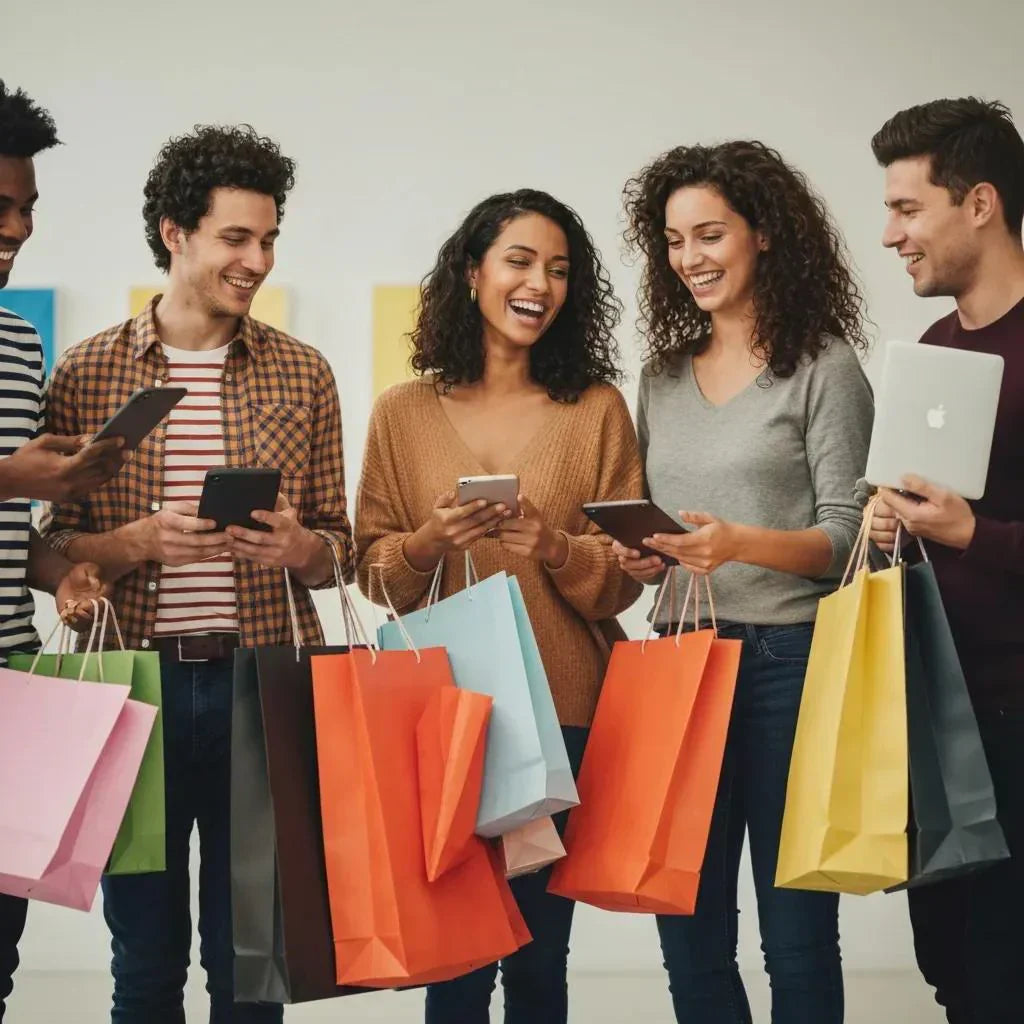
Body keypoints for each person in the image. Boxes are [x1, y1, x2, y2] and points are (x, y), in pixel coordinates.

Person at [40, 124, 354, 1024]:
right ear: (176, 233)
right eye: (236, 238)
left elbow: (343, 546)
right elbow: (53, 547)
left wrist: (301, 550)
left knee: (253, 965)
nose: (257, 260)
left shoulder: (303, 373)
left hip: (264, 687)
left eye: (269, 240)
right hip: (132, 693)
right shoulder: (89, 373)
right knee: (144, 961)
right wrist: (130, 544)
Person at [355, 188, 643, 1024]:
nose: (539, 284)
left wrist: (555, 546)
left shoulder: (596, 410)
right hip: (444, 719)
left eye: (559, 270)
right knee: (455, 960)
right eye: (520, 261)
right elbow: (371, 572)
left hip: (564, 712)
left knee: (539, 958)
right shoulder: (401, 414)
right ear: (473, 272)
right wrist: (426, 542)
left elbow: (624, 579)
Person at [615, 141, 874, 1024]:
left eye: (710, 234)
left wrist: (737, 545)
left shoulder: (827, 368)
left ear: (763, 233)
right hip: (679, 661)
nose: (690, 258)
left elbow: (847, 542)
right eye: (674, 241)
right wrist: (645, 556)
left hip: (787, 667)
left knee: (795, 935)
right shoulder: (658, 378)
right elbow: (665, 529)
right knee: (686, 927)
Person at [868, 97, 1024, 1024]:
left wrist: (976, 535)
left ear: (979, 203)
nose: (890, 234)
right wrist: (899, 527)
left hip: (1017, 717)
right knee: (957, 976)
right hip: (939, 715)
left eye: (906, 208)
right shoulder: (932, 351)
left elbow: (975, 529)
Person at [0, 79, 125, 1021]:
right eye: (0, 206)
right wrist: (11, 481)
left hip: (12, 681)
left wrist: (60, 565)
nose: (19, 228)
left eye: (28, 207)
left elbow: (16, 532)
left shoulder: (16, 342)